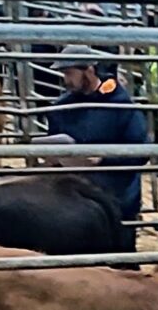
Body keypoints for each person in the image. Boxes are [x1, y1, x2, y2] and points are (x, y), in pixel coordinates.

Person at [42, 45, 150, 225]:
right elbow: (53, 139)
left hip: (116, 197)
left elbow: (141, 151)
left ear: (89, 71)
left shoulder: (121, 106)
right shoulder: (61, 108)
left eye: (69, 73)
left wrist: (104, 158)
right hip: (76, 198)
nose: (66, 80)